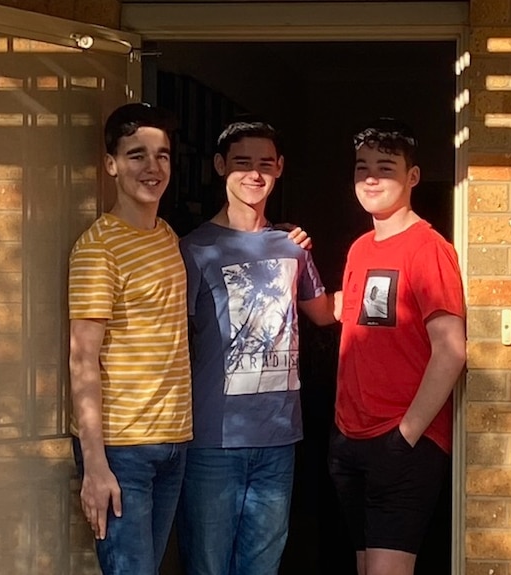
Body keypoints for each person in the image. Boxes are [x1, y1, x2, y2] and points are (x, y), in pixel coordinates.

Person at [177, 120, 336, 575]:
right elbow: (174, 339)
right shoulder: (193, 249)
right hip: (213, 438)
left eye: (265, 163)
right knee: (207, 565)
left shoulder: (292, 246)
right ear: (220, 166)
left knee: (263, 567)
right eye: (242, 163)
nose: (254, 174)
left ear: (280, 168)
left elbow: (323, 312)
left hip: (280, 437)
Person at [328, 118, 467, 575]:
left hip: (403, 439)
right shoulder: (360, 248)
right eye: (361, 167)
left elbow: (451, 350)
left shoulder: (428, 248)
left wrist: (405, 436)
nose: (371, 178)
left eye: (385, 168)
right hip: (350, 438)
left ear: (412, 177)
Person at [68, 102, 192, 574]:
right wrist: (95, 465)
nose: (152, 167)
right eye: (137, 155)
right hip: (121, 449)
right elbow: (83, 360)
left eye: (161, 155)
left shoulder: (167, 236)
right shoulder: (98, 248)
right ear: (111, 164)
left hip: (174, 440)